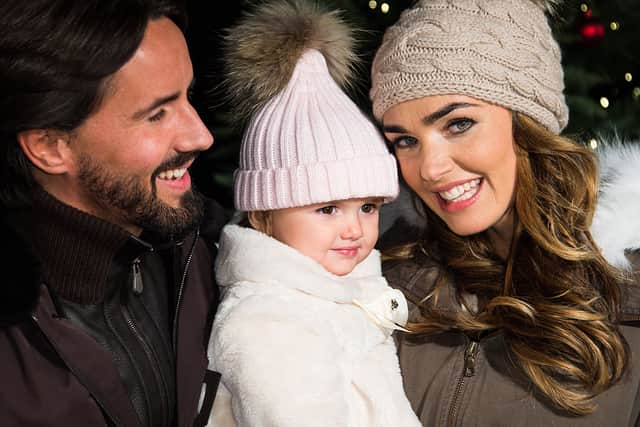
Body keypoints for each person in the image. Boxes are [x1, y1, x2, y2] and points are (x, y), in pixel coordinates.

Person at [369, 0, 640, 425]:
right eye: (405, 140)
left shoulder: (629, 283)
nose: (429, 168)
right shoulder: (383, 279)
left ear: (526, 122)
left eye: (457, 124)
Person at [0, 1, 226, 426]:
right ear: (51, 147)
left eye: (187, 96)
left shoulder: (212, 255)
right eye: (157, 114)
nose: (202, 135)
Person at [205, 1, 422, 426]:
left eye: (368, 207)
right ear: (263, 215)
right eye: (327, 209)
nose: (354, 229)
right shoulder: (268, 320)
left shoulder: (340, 291)